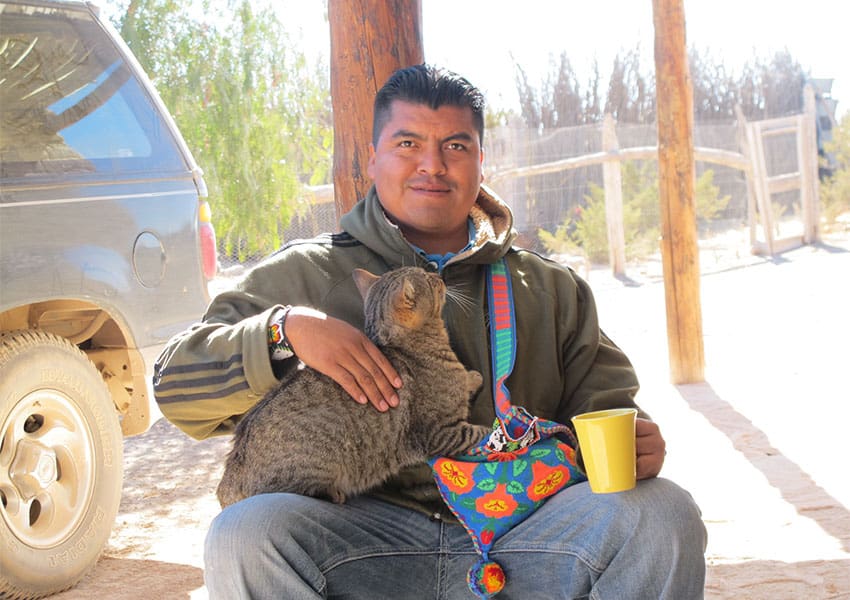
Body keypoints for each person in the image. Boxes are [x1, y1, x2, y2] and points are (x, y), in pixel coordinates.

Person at [153, 64, 706, 599]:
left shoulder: (550, 287)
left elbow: (606, 408)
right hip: (363, 540)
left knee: (661, 514)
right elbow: (175, 388)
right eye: (408, 144)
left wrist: (637, 444)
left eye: (456, 146)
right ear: (372, 158)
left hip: (527, 535)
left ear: (481, 161)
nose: (433, 166)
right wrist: (284, 331)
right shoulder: (303, 274)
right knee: (244, 534)